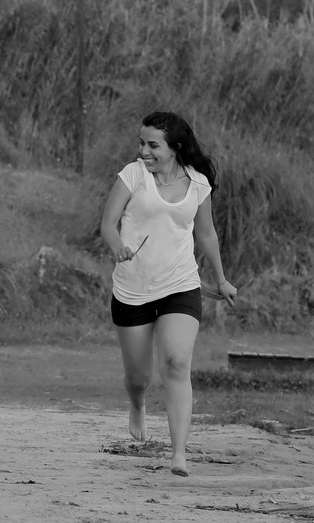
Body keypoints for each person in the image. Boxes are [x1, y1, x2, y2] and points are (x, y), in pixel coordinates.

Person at [100, 111, 237, 477]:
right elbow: (108, 224)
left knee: (177, 362)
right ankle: (138, 403)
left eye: (152, 144)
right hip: (132, 289)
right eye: (141, 143)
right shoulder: (133, 175)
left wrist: (221, 279)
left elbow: (205, 234)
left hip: (180, 284)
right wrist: (117, 247)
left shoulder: (198, 183)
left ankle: (178, 454)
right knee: (139, 377)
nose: (143, 150)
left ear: (175, 147)